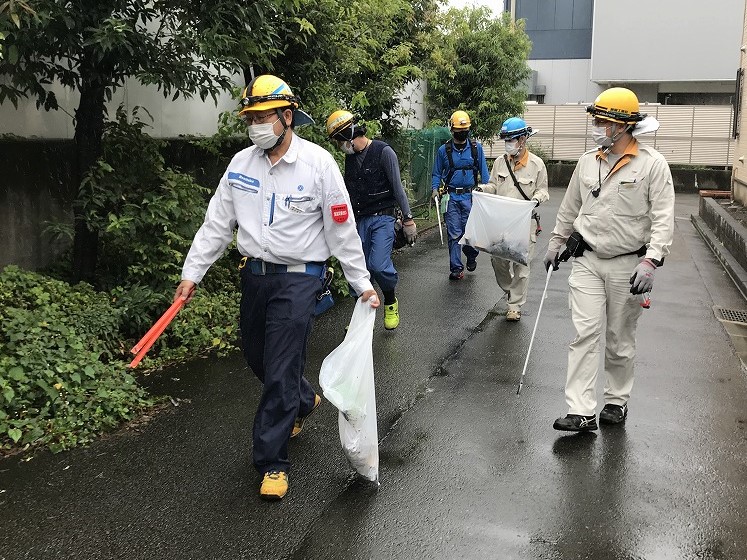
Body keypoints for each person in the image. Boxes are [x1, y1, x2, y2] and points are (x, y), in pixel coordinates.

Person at [174, 75, 379, 500]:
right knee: (256, 354)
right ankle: (303, 401)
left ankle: (272, 462)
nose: (255, 125)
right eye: (250, 117)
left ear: (287, 117)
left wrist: (361, 282)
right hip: (255, 275)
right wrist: (192, 273)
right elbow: (216, 225)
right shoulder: (240, 165)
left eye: (263, 116)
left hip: (301, 277)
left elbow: (341, 230)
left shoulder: (319, 165)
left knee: (282, 365)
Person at [543, 87, 674, 432]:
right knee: (584, 333)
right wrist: (556, 243)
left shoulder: (652, 165)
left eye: (602, 120)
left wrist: (651, 260)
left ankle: (616, 399)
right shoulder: (588, 161)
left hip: (627, 264)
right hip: (587, 259)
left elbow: (663, 217)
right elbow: (571, 207)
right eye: (596, 119)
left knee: (619, 338)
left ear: (622, 125)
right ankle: (581, 410)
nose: (596, 126)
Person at [325, 110, 416, 330]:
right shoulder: (350, 158)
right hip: (359, 221)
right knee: (358, 269)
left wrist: (408, 219)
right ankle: (361, 318)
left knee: (378, 265)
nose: (340, 147)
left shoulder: (383, 152)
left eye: (339, 141)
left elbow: (397, 187)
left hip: (383, 218)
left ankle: (391, 299)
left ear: (347, 135)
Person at [482, 117, 549, 322]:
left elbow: (543, 190)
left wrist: (536, 200)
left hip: (524, 221)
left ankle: (515, 305)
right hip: (502, 221)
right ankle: (511, 291)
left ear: (523, 139)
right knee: (498, 260)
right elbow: (493, 185)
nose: (508, 144)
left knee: (522, 264)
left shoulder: (537, 164)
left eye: (511, 139)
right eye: (506, 140)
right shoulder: (500, 162)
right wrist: (482, 189)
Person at [431, 110, 490, 280]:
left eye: (465, 130)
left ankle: (471, 255)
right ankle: (456, 267)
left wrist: (486, 191)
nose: (463, 133)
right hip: (451, 198)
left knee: (470, 234)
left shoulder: (475, 148)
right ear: (452, 130)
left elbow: (484, 173)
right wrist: (435, 188)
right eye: (459, 130)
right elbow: (436, 173)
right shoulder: (444, 150)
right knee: (454, 234)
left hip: (470, 197)